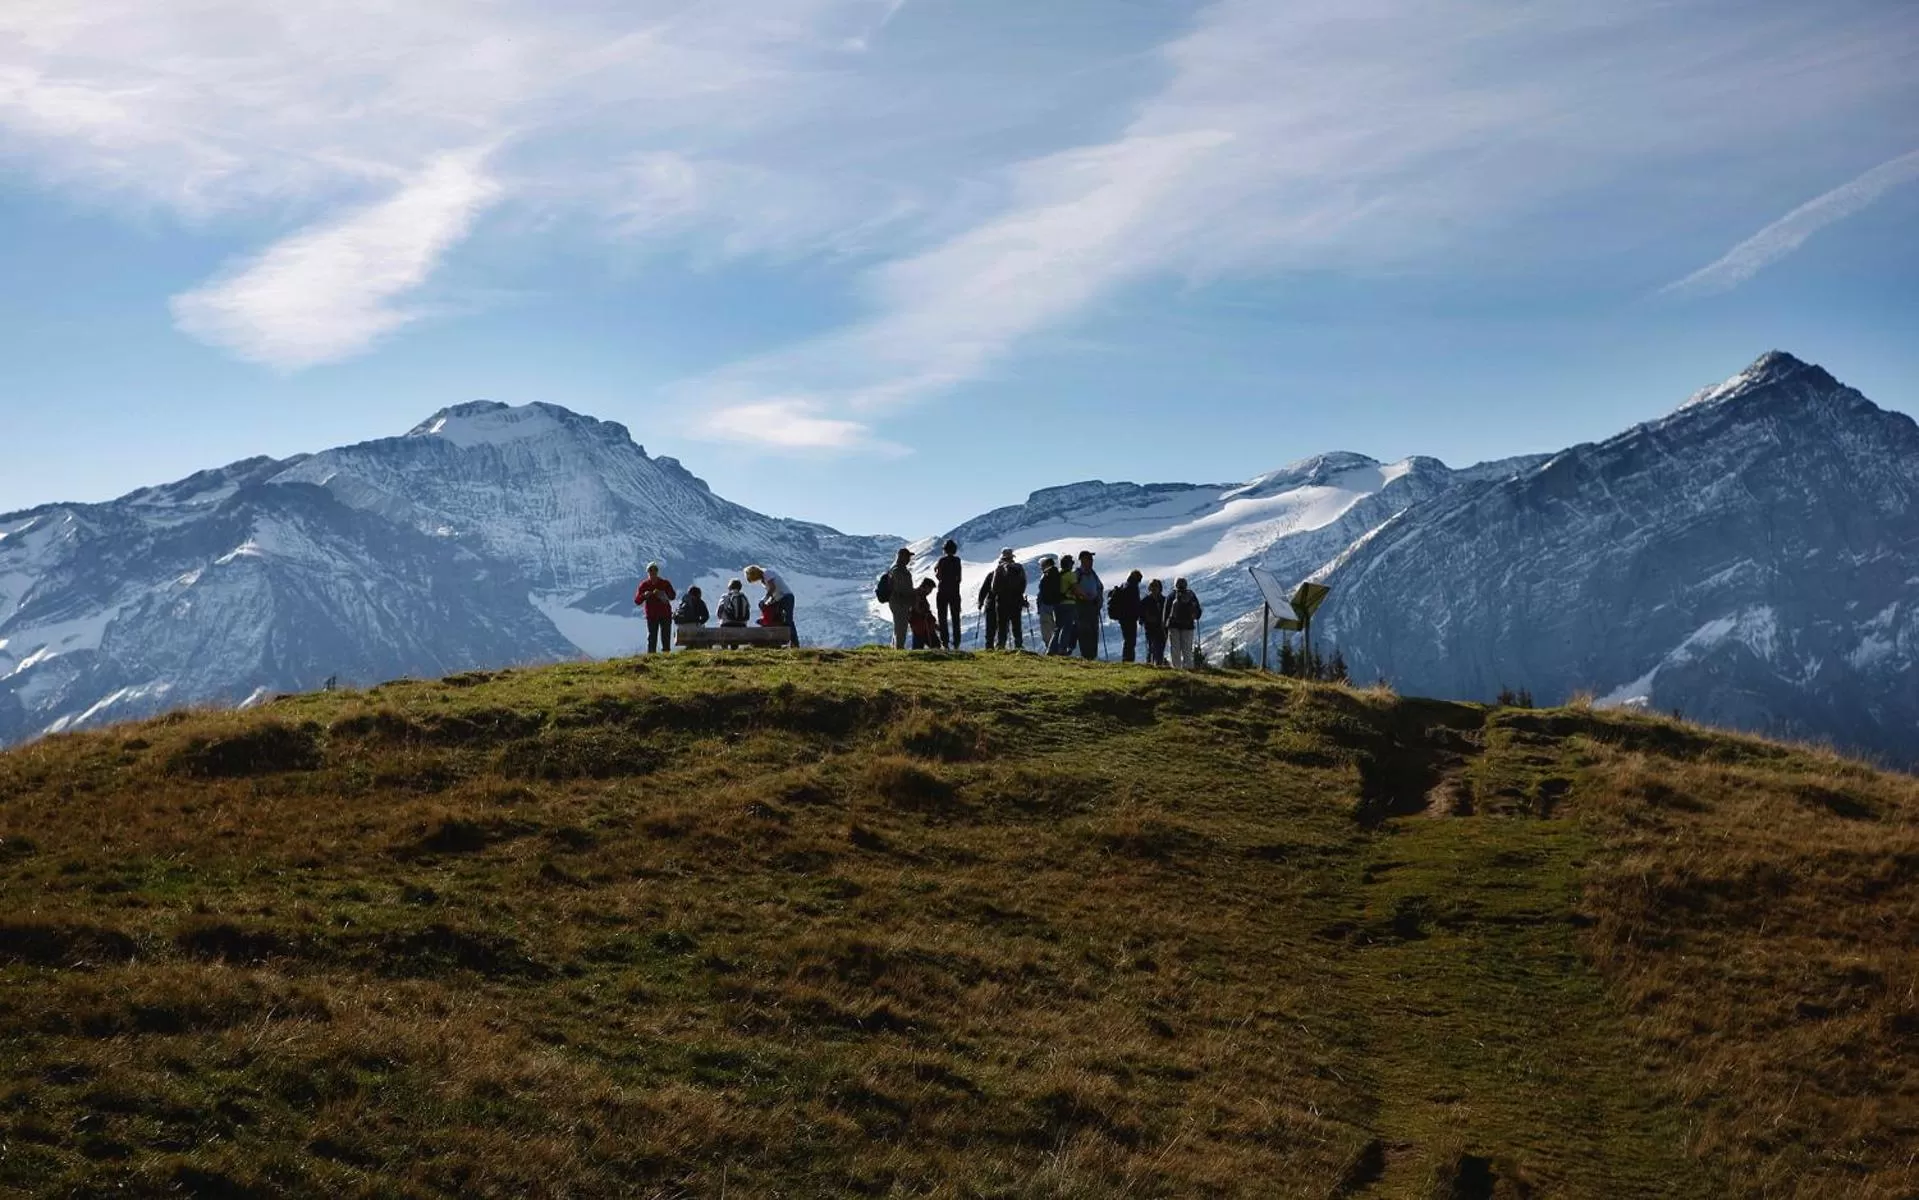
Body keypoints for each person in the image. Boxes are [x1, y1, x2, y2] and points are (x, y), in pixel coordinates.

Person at [744, 564, 796, 644]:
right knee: (778, 619)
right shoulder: (763, 579)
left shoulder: (767, 573)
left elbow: (773, 588)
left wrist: (765, 599)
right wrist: (767, 602)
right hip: (779, 598)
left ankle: (794, 642)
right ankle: (779, 640)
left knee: (788, 620)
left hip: (786, 597)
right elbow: (773, 592)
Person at [633, 561, 677, 654]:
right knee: (652, 637)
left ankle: (666, 655)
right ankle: (652, 656)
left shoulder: (665, 583)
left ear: (657, 572)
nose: (652, 573)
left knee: (665, 637)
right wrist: (644, 595)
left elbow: (672, 596)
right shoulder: (644, 585)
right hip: (652, 616)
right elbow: (637, 601)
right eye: (650, 571)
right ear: (648, 572)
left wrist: (664, 594)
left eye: (654, 571)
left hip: (665, 614)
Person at [990, 548, 1028, 650]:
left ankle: (1001, 645)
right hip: (1016, 600)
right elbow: (1023, 583)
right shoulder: (1019, 568)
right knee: (1016, 624)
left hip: (1002, 601)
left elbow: (994, 587)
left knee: (1002, 624)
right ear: (1012, 557)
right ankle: (1019, 645)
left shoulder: (999, 569)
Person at [1167, 577, 1203, 669]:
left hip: (1174, 626)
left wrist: (1165, 625)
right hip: (1188, 626)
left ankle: (1176, 668)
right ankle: (1189, 668)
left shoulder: (1172, 595)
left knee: (1175, 649)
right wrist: (1196, 615)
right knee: (1187, 649)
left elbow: (1166, 611)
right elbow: (1198, 611)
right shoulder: (1191, 595)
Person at [1074, 550, 1104, 660]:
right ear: (1082, 560)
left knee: (1093, 631)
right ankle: (1086, 656)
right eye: (1089, 559)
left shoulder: (1093, 574)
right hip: (1082, 607)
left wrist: (1098, 600)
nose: (1091, 561)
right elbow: (1074, 588)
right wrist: (1085, 597)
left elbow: (1100, 587)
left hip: (1093, 607)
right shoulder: (1078, 574)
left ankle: (1092, 656)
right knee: (1085, 631)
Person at [1108, 569, 1143, 662]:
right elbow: (1135, 604)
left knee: (1127, 639)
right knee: (1131, 640)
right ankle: (1128, 659)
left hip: (1123, 617)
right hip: (1130, 617)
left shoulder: (1124, 585)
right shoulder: (1133, 588)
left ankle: (1127, 658)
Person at [934, 540, 963, 650]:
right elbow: (959, 578)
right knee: (956, 618)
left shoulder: (942, 560)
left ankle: (945, 642)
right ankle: (956, 642)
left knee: (942, 618)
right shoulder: (957, 561)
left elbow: (938, 576)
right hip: (955, 592)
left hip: (942, 592)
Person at [1050, 552, 1080, 656]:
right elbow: (1076, 589)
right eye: (1072, 562)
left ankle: (1051, 650)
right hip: (1069, 603)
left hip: (1057, 604)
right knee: (1067, 627)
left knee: (1058, 627)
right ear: (1069, 564)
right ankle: (1062, 649)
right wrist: (1084, 596)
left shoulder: (1058, 574)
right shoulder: (1070, 575)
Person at [885, 548, 917, 649]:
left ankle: (895, 647)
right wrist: (912, 597)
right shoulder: (899, 571)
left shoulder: (895, 569)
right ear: (902, 557)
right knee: (901, 627)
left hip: (897, 602)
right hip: (900, 603)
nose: (909, 559)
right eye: (908, 557)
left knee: (898, 626)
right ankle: (899, 648)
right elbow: (903, 589)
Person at [1141, 578, 1171, 667]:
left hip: (1162, 629)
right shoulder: (1145, 601)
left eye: (1155, 587)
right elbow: (1141, 614)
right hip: (1150, 629)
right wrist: (1145, 619)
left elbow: (1169, 613)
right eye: (1152, 587)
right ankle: (1150, 665)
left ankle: (1158, 665)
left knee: (1159, 649)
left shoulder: (1164, 600)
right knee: (1151, 649)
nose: (1154, 589)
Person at [1036, 556, 1061, 650]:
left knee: (1047, 629)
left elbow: (1043, 591)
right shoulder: (1057, 574)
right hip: (1055, 605)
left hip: (1046, 605)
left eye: (1042, 565)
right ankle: (1057, 647)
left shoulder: (1046, 575)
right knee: (1055, 627)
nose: (1041, 567)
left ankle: (1051, 648)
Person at [909, 578, 939, 649]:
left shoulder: (920, 595)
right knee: (933, 645)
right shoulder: (917, 595)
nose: (930, 592)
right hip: (921, 626)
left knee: (919, 647)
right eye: (930, 590)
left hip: (922, 626)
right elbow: (918, 610)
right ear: (926, 587)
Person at [976, 571, 996, 650]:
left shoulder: (992, 574)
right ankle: (1001, 646)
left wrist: (981, 602)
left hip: (991, 604)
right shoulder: (1012, 573)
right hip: (1004, 605)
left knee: (990, 628)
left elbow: (984, 589)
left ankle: (989, 647)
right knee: (1003, 627)